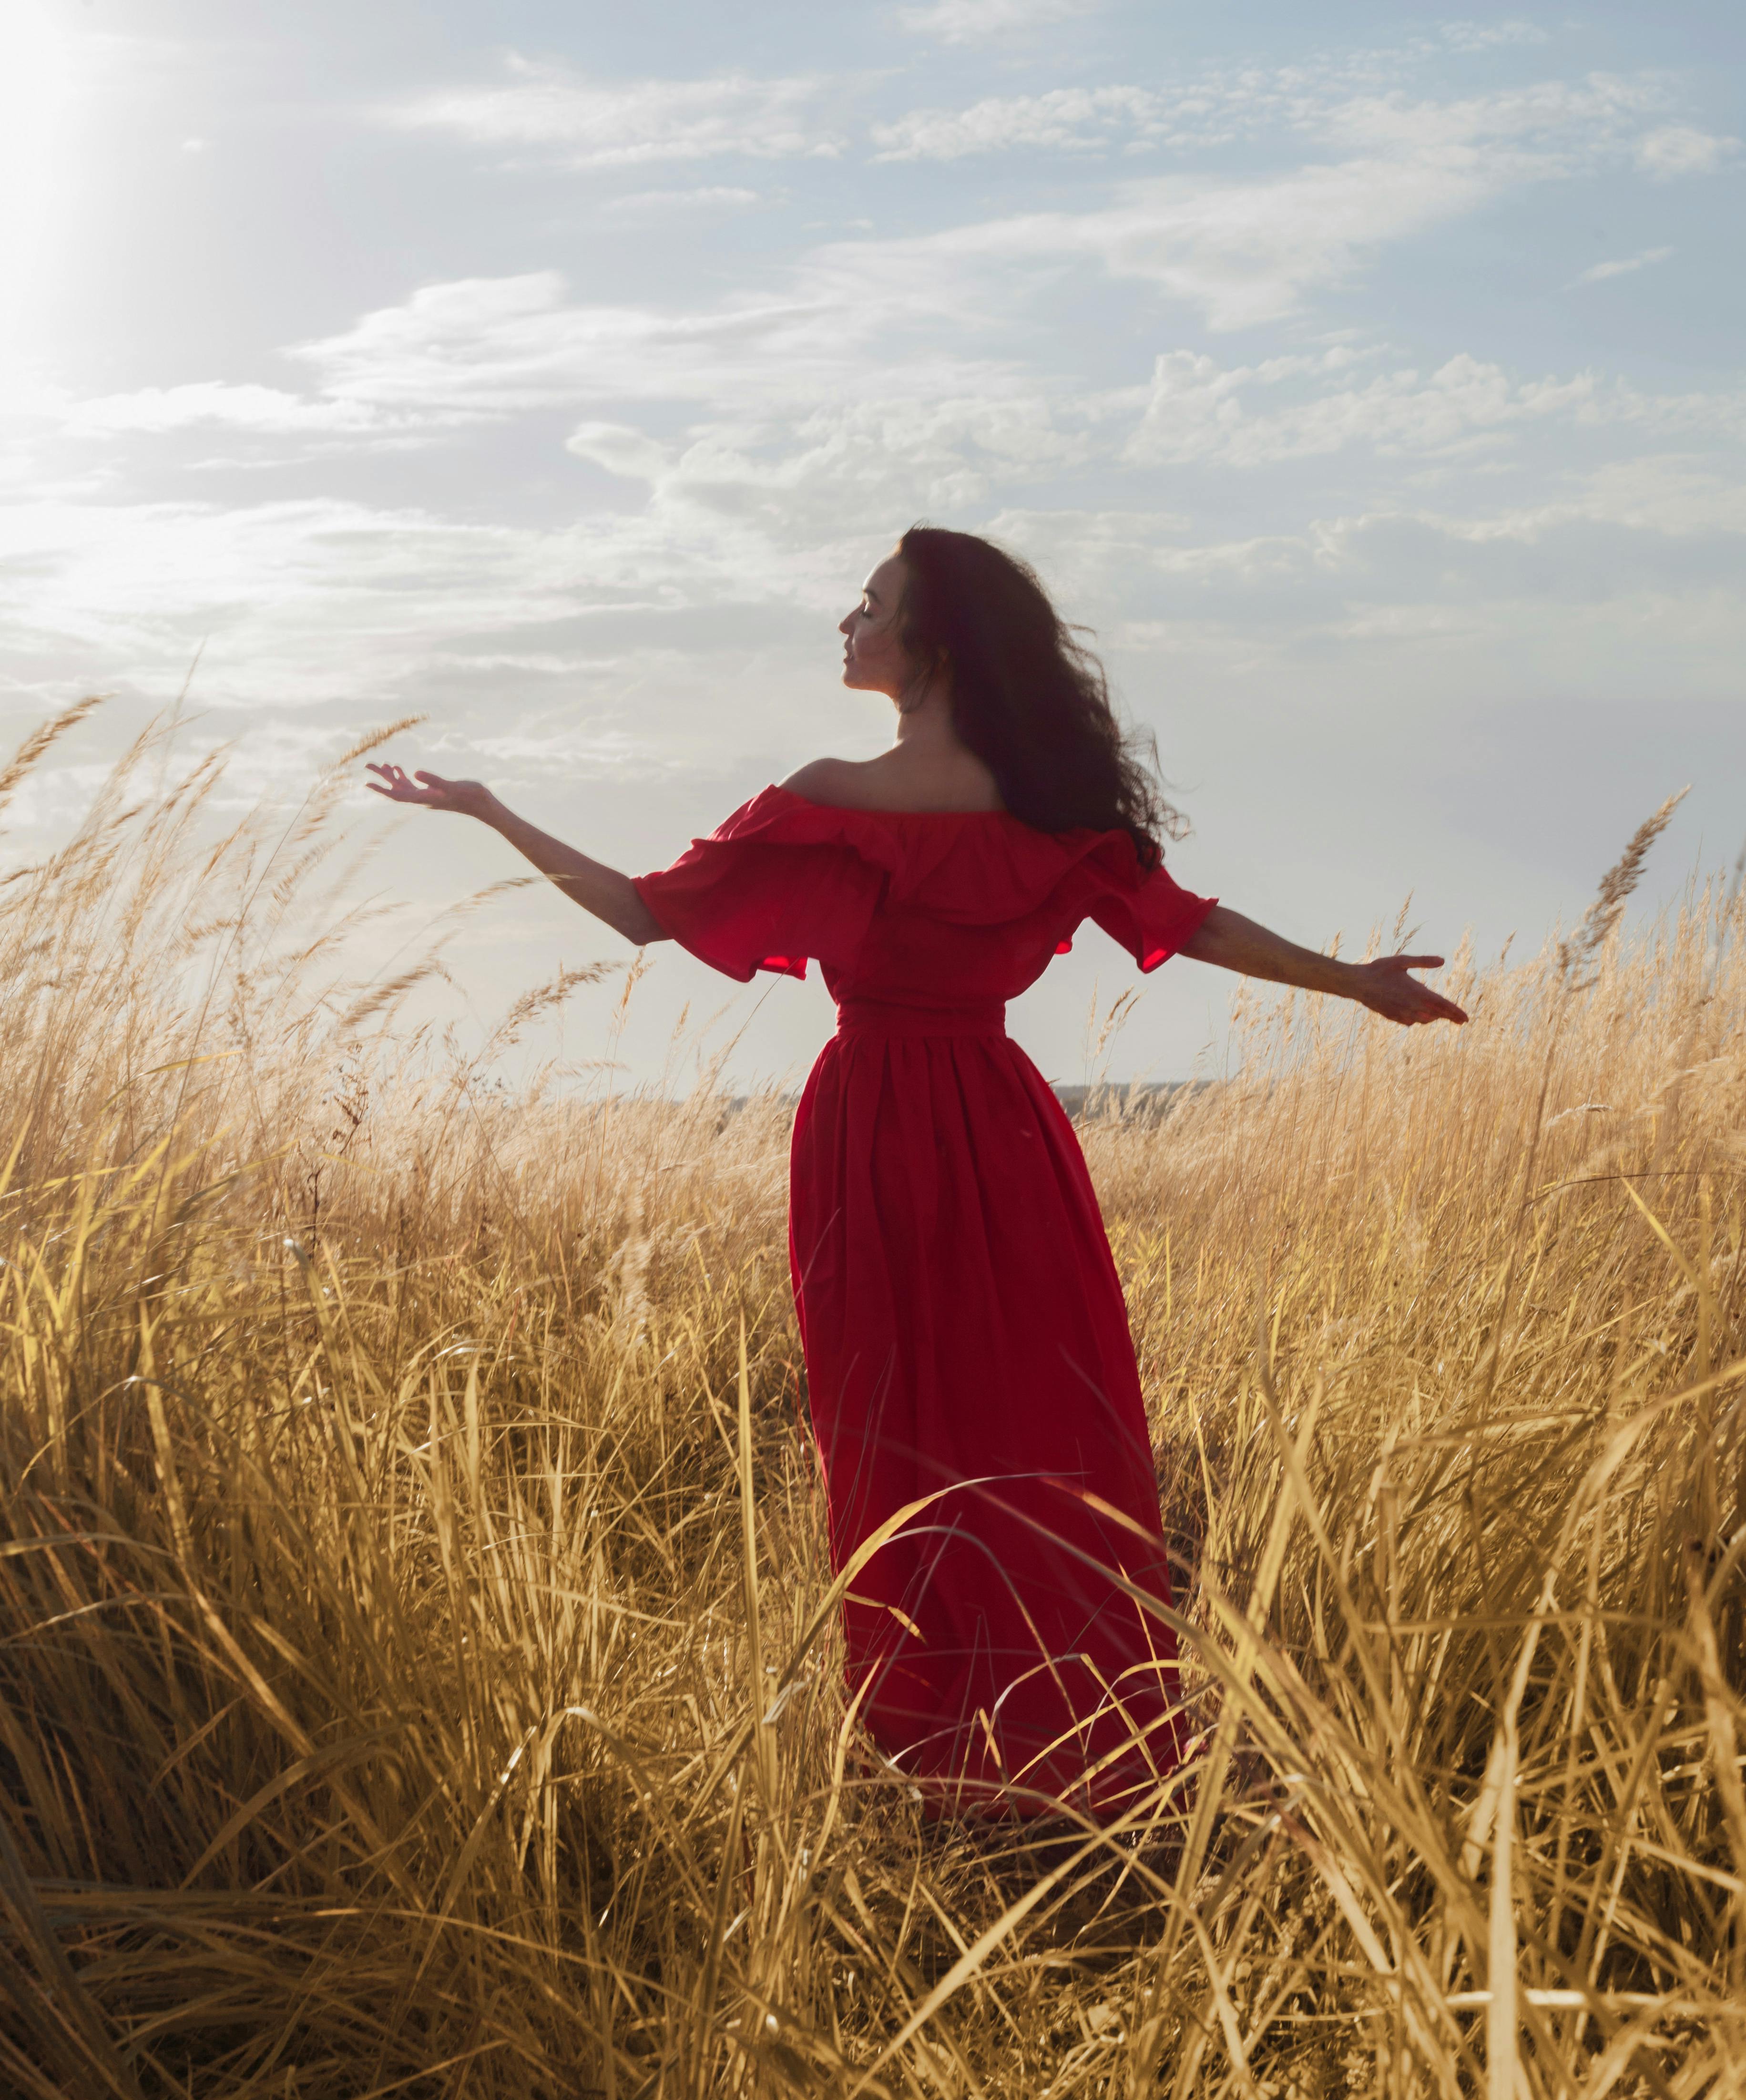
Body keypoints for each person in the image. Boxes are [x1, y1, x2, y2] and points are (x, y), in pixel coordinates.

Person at [369, 524, 1464, 1823]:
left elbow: (643, 913)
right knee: (1045, 1425)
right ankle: (1080, 1748)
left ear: (930, 643)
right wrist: (1353, 984)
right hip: (1006, 1128)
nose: (847, 621)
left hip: (875, 1123)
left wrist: (494, 813)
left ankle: (937, 1760)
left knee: (892, 1433)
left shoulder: (833, 795)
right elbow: (1193, 927)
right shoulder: (1048, 808)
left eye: (871, 605)